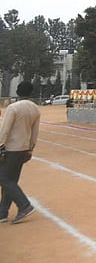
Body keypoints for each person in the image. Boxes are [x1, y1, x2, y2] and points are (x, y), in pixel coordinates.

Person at [0, 81, 41, 224]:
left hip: (11, 148)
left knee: (4, 179)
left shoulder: (13, 108)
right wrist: (30, 149)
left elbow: (5, 130)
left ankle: (24, 205)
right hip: (23, 148)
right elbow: (35, 132)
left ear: (18, 92)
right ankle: (3, 212)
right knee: (11, 180)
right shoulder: (35, 108)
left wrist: (0, 146)